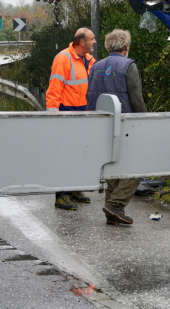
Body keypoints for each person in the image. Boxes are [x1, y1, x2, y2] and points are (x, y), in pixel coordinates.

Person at [85, 29, 147, 225]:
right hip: (125, 123)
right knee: (138, 164)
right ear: (126, 47)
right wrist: (144, 121)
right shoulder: (128, 66)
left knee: (112, 165)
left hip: (100, 123)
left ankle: (111, 211)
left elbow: (90, 94)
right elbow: (136, 99)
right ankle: (116, 205)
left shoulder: (96, 67)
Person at [46, 27, 96, 210]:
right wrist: (53, 116)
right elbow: (54, 89)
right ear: (82, 42)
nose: (95, 42)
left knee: (80, 154)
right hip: (66, 114)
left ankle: (75, 189)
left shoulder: (89, 60)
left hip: (84, 113)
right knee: (65, 155)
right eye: (92, 39)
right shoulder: (63, 58)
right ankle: (61, 195)